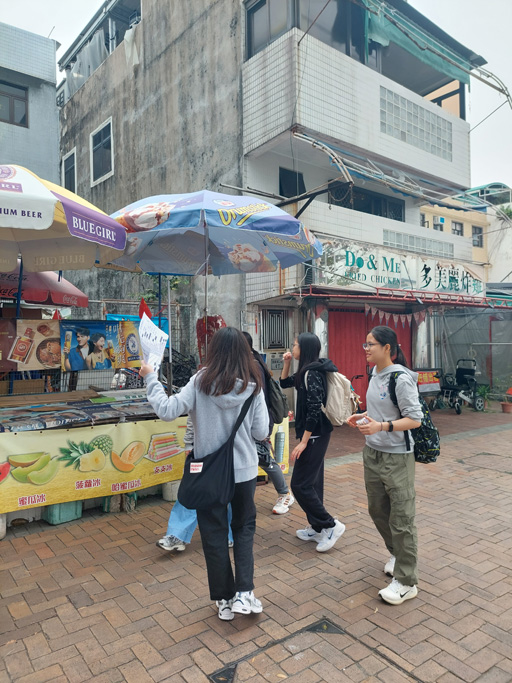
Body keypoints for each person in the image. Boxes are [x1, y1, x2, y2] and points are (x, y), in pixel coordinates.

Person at [140, 327, 269, 621]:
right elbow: (261, 431)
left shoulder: (201, 382)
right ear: (244, 353)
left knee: (213, 534)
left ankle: (224, 600)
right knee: (243, 529)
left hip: (208, 473)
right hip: (244, 472)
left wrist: (150, 377)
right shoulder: (253, 385)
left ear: (214, 351)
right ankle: (245, 593)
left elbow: (167, 410)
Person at [346, 325, 423, 606]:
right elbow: (383, 409)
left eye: (371, 344)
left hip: (397, 457)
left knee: (401, 518)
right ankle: (396, 553)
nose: (366, 349)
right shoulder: (375, 374)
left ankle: (406, 581)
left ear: (387, 348)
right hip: (373, 453)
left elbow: (414, 419)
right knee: (377, 509)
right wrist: (364, 416)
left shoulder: (401, 379)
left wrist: (381, 426)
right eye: (365, 344)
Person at [280, 332, 345, 552]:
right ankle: (318, 528)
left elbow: (314, 408)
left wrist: (304, 441)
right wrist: (287, 363)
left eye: (295, 345)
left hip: (315, 435)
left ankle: (331, 525)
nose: (293, 348)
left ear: (304, 348)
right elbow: (284, 383)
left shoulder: (313, 373)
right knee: (314, 483)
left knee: (300, 485)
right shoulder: (305, 371)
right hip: (315, 434)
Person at [157, 417, 234, 552]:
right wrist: (189, 443)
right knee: (192, 489)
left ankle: (229, 534)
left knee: (233, 493)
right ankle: (177, 534)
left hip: (236, 450)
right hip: (203, 448)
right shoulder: (201, 400)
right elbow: (193, 414)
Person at [242, 332, 294, 515]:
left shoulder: (253, 366)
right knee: (258, 458)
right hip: (254, 421)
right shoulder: (250, 363)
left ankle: (285, 493)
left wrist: (261, 428)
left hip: (259, 421)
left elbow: (259, 398)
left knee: (264, 458)